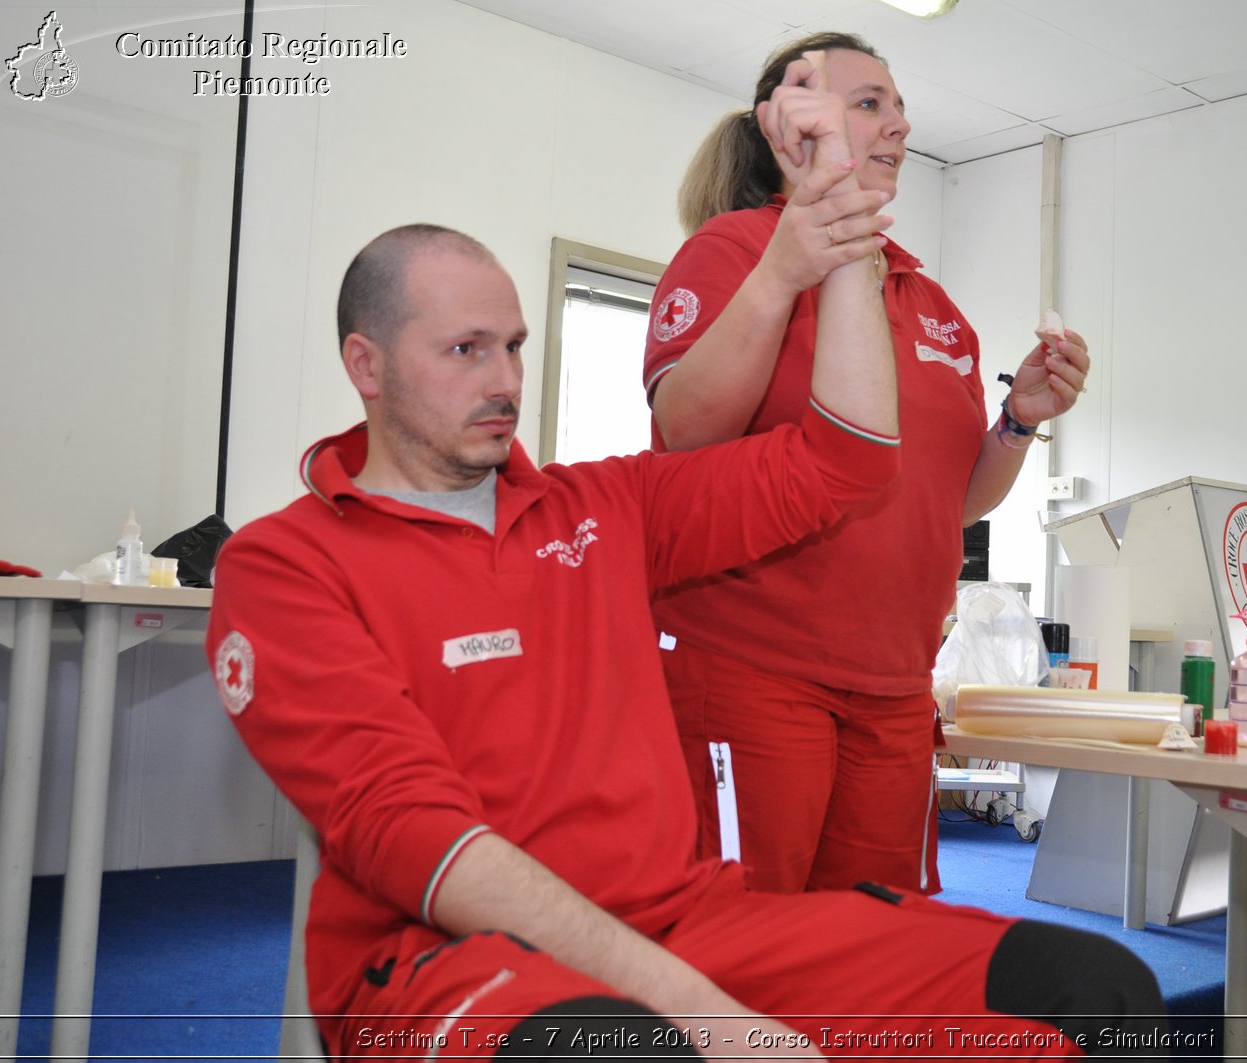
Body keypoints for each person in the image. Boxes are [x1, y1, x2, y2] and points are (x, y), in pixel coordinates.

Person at [206, 211, 1163, 1058]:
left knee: (1095, 994)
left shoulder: (606, 507)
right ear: (364, 364)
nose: (503, 380)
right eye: (465, 351)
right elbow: (416, 837)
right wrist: (708, 1018)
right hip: (443, 963)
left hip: (689, 924)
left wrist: (824, 256)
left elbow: (844, 464)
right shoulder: (283, 563)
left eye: (514, 347)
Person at [644, 33, 1090, 895]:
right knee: (748, 950)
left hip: (891, 685)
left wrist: (1018, 420)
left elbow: (952, 503)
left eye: (900, 107)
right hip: (753, 670)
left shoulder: (933, 305)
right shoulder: (735, 251)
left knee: (877, 953)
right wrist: (788, 268)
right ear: (793, 121)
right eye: (871, 103)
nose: (901, 125)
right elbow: (687, 434)